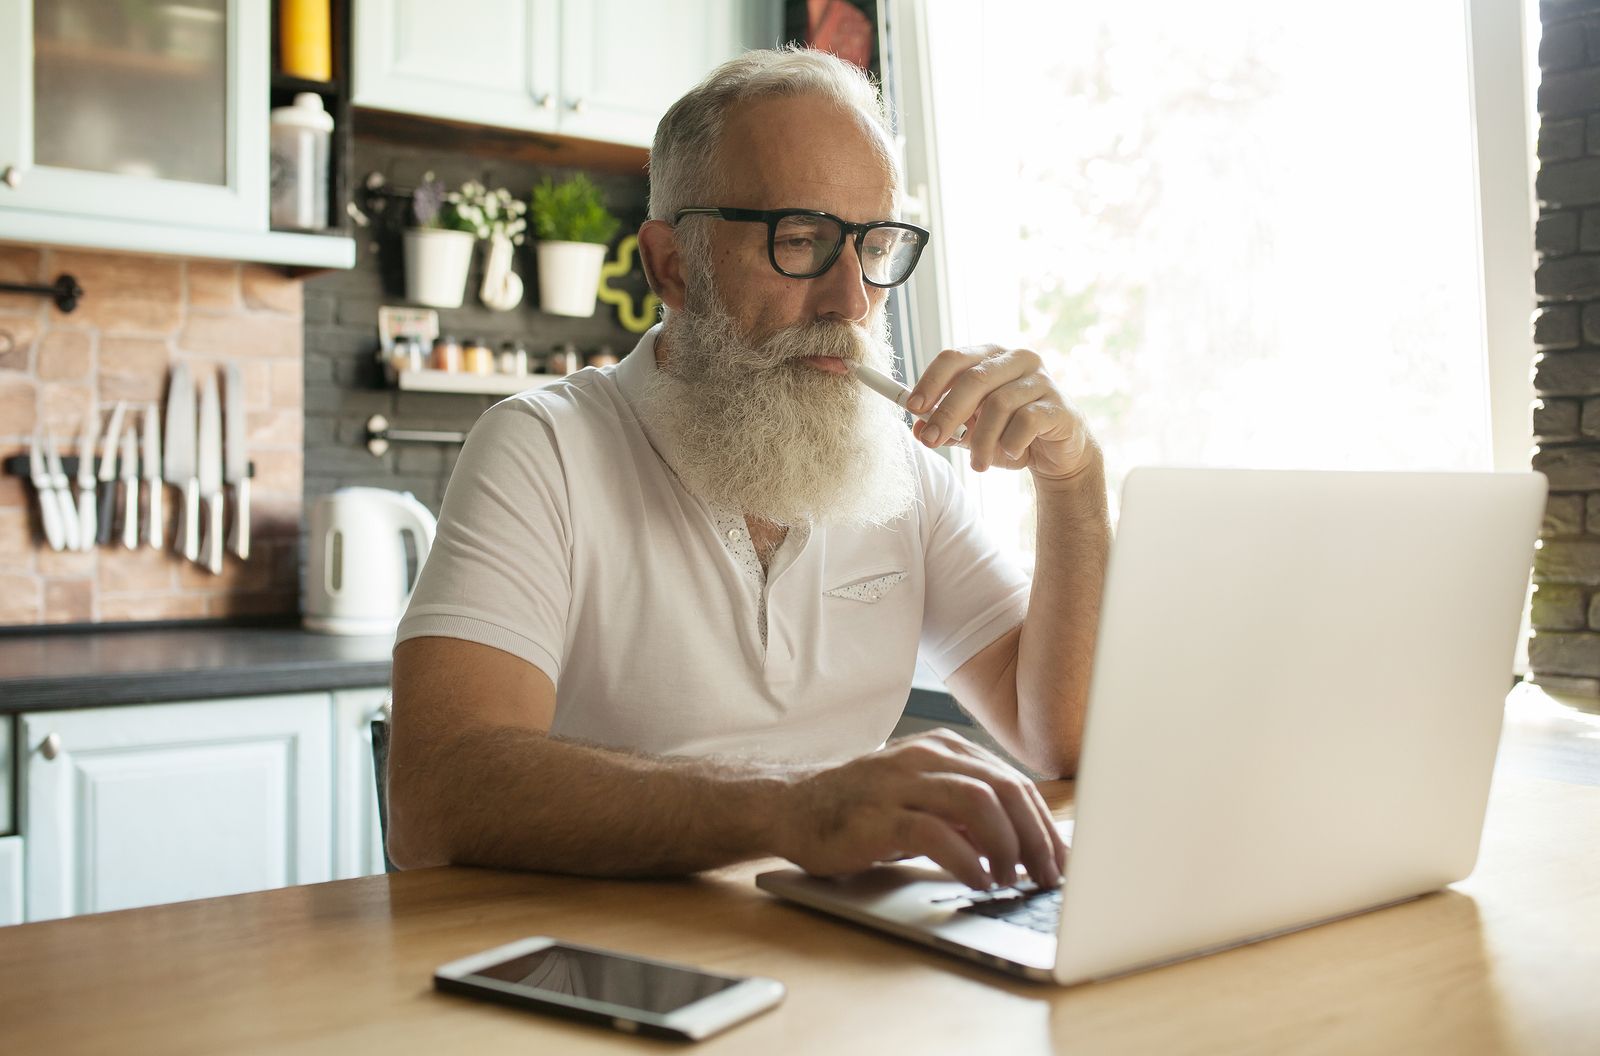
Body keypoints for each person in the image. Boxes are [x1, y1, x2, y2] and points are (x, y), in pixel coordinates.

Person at [386, 47, 1111, 894]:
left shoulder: (900, 468)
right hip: (594, 979)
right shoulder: (543, 448)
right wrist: (794, 809)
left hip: (831, 974)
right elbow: (434, 797)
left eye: (875, 245)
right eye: (799, 240)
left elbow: (1061, 737)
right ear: (672, 265)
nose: (851, 301)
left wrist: (1073, 482)